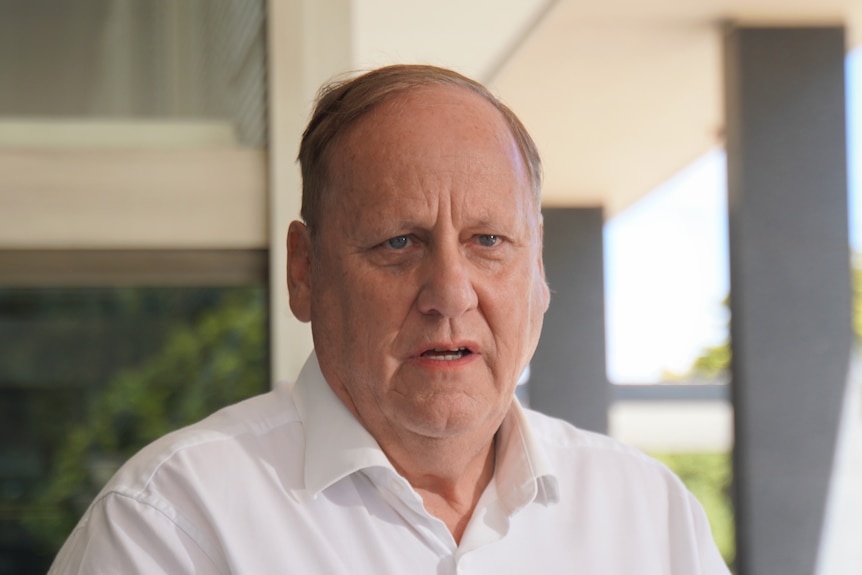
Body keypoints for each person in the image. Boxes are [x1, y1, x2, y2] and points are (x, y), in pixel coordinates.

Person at [49, 64, 730, 574]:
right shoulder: (172, 525)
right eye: (398, 242)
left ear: (539, 267)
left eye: (488, 241)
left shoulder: (654, 519)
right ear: (304, 271)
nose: (450, 293)